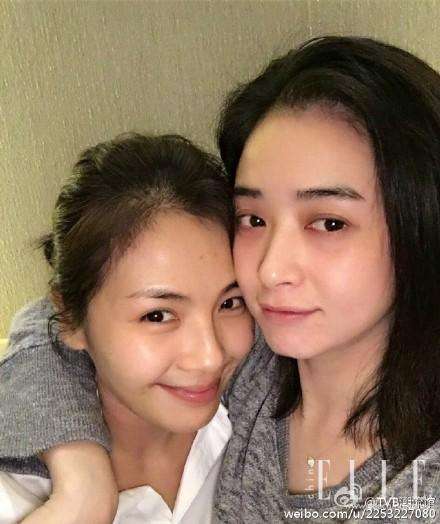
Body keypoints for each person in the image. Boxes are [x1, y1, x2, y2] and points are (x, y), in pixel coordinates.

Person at [2, 35, 440, 523]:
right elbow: (54, 321)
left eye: (330, 223)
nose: (271, 270)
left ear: (421, 226)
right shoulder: (253, 360)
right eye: (254, 218)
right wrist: (84, 479)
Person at [0, 133, 253, 523]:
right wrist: (81, 502)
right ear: (71, 318)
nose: (210, 356)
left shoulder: (260, 412)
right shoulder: (15, 493)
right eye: (158, 315)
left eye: (229, 303)